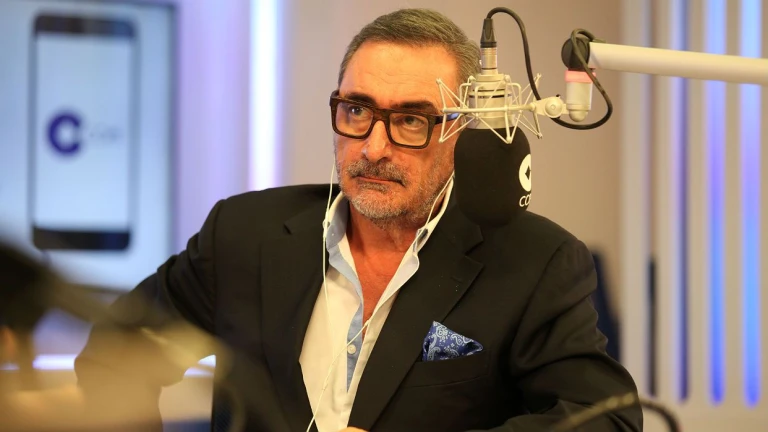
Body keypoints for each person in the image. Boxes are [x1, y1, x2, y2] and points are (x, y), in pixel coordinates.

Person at [70, 8, 641, 432]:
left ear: (462, 131)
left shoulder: (534, 262)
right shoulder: (245, 234)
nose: (372, 147)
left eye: (411, 120)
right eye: (357, 110)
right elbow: (117, 351)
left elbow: (606, 421)